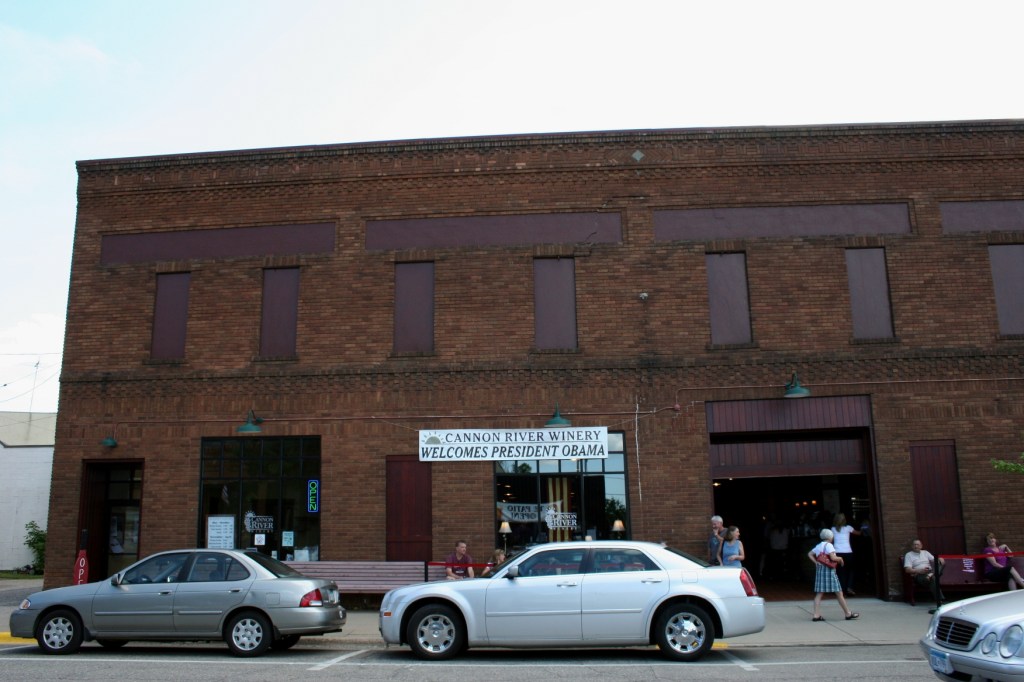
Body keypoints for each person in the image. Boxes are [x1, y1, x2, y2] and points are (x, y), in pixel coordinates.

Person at [808, 528, 859, 622]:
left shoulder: (818, 545)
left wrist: (816, 562)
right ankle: (848, 613)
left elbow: (810, 554)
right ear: (830, 537)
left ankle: (816, 615)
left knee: (819, 594)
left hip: (820, 570)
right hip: (829, 570)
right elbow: (833, 558)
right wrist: (840, 559)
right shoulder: (829, 545)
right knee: (839, 592)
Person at [904, 538, 945, 612]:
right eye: (914, 545)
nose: (916, 546)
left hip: (929, 572)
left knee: (942, 564)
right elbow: (907, 570)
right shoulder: (909, 555)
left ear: (921, 546)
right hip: (919, 575)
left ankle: (931, 575)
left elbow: (935, 560)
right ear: (912, 546)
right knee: (933, 579)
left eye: (918, 544)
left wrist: (940, 559)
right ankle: (940, 601)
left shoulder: (925, 552)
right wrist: (919, 571)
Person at [831, 512, 862, 596]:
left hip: (837, 552)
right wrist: (864, 527)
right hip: (848, 552)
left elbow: (831, 540)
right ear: (844, 520)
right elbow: (859, 533)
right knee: (851, 570)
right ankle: (849, 587)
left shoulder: (833, 529)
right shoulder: (848, 528)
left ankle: (841, 590)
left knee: (840, 571)